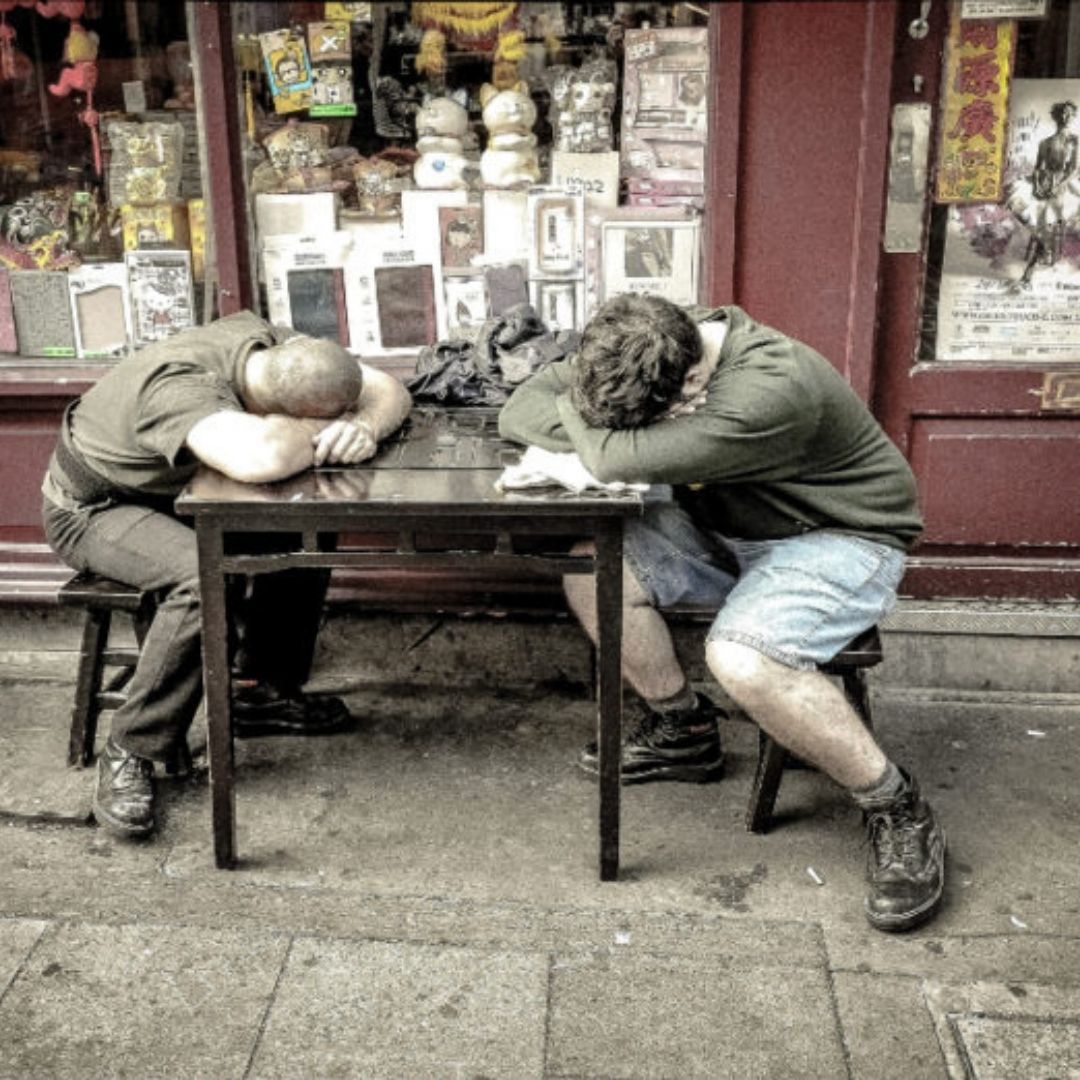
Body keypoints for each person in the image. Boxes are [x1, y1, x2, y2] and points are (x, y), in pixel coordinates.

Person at [498, 294, 946, 933]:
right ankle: (683, 730)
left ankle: (896, 804)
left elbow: (612, 458)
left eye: (664, 415)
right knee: (596, 569)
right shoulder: (644, 343)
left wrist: (583, 419)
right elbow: (520, 407)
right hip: (729, 527)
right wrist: (599, 416)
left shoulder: (772, 388)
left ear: (694, 378)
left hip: (839, 536)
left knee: (744, 659)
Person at [42, 311, 412, 840]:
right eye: (311, 419)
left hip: (171, 494)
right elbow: (263, 455)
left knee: (307, 518)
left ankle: (261, 690)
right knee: (199, 577)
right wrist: (318, 432)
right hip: (95, 508)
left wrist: (362, 426)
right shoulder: (179, 392)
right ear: (272, 408)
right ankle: (130, 748)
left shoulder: (272, 350)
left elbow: (386, 387)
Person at [1015, 100, 1079, 288]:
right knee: (1022, 206)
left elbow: (1074, 169)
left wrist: (1057, 185)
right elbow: (1037, 168)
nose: (1066, 117)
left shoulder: (1074, 140)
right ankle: (1045, 250)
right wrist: (1036, 185)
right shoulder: (1045, 142)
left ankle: (1030, 269)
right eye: (1062, 113)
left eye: (1070, 113)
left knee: (1045, 218)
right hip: (1044, 183)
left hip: (1065, 185)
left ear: (1073, 116)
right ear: (1056, 116)